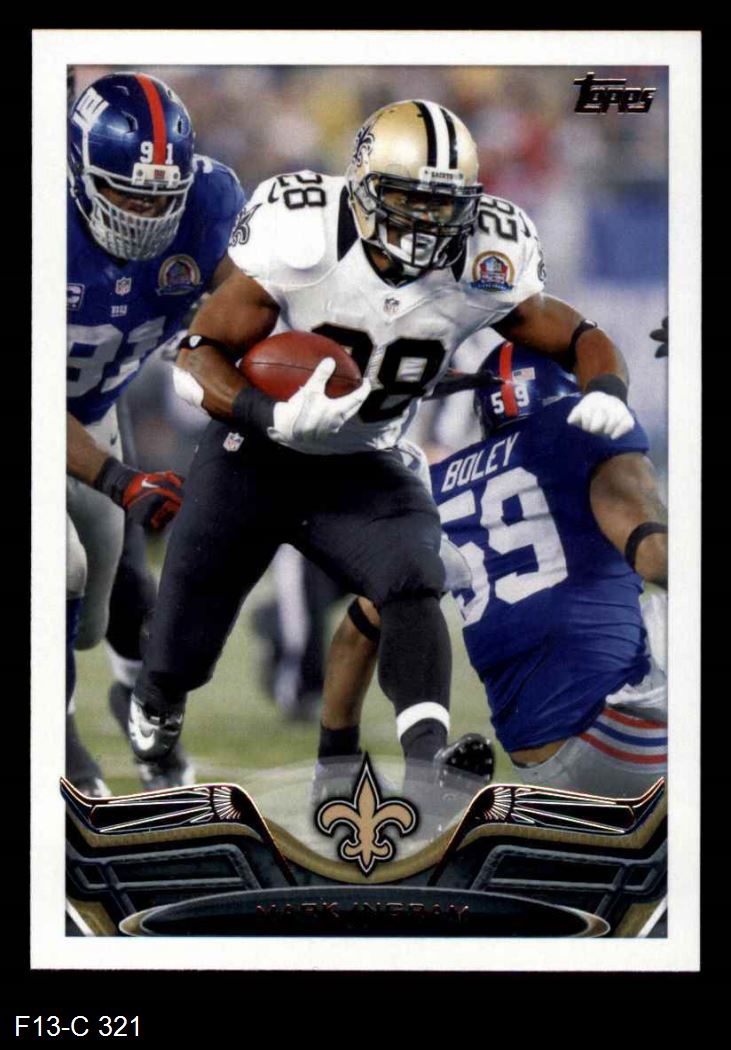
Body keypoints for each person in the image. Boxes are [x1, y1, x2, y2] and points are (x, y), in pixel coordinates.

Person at [127, 98, 638, 798]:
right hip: (255, 451)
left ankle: (428, 762)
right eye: (409, 199)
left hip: (367, 456)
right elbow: (198, 353)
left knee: (412, 579)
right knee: (182, 639)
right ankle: (158, 702)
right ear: (363, 187)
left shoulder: (487, 253)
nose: (427, 222)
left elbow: (578, 334)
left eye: (444, 204)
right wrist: (270, 413)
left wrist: (606, 387)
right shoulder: (303, 230)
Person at [319, 341, 667, 799]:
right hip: (622, 738)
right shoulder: (579, 435)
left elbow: (353, 636)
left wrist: (334, 761)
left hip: (535, 762)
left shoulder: (436, 488)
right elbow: (656, 558)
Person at [66, 72, 246, 794]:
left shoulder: (209, 204)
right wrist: (119, 479)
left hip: (92, 409)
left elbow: (249, 311)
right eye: (127, 193)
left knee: (119, 597)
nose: (146, 214)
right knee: (60, 570)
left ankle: (136, 712)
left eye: (161, 197)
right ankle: (60, 752)